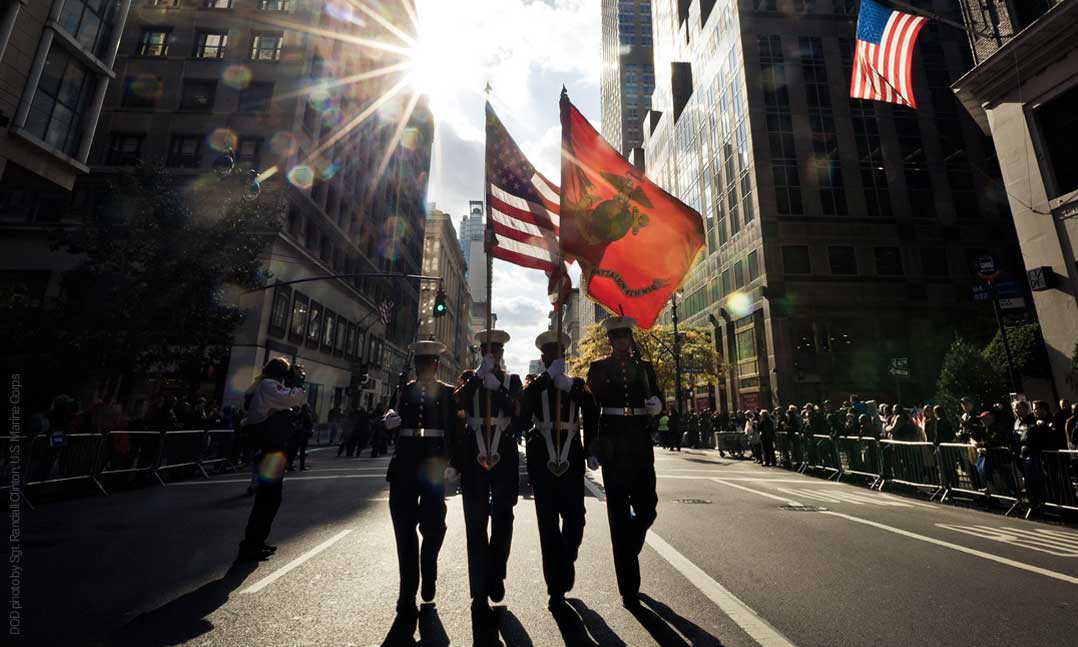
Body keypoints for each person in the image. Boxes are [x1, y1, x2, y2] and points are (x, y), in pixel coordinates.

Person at [378, 341, 456, 645]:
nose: (424, 369)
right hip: (405, 465)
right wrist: (387, 423)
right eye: (420, 364)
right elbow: (386, 422)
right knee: (404, 531)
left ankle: (430, 570)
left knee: (435, 526)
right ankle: (407, 593)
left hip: (434, 465)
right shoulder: (403, 390)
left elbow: (454, 431)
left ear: (436, 366)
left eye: (429, 364)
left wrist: (452, 463)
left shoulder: (448, 393)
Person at [585, 316, 663, 610]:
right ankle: (628, 589)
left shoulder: (645, 368)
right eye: (616, 338)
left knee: (648, 507)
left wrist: (658, 405)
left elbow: (657, 396)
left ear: (631, 339)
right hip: (613, 446)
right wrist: (590, 447)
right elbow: (593, 411)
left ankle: (627, 546)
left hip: (640, 445)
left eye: (625, 337)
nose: (621, 342)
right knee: (618, 514)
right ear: (610, 341)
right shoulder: (599, 368)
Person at [520, 331, 597, 609]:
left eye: (560, 354)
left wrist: (591, 448)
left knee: (576, 519)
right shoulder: (533, 383)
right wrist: (546, 379)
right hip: (543, 459)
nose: (556, 358)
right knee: (548, 524)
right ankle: (555, 587)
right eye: (550, 355)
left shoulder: (575, 383)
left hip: (571, 458)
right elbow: (523, 410)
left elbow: (591, 409)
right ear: (544, 358)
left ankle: (567, 557)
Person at [453, 329, 523, 636]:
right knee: (476, 522)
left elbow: (521, 418)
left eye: (497, 352)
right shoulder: (469, 378)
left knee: (504, 517)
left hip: (504, 455)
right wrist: (477, 380)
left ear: (503, 354)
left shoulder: (513, 381)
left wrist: (500, 391)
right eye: (487, 352)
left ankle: (497, 572)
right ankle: (479, 589)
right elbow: (456, 410)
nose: (492, 357)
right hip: (474, 454)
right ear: (482, 353)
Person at [236, 357, 307, 562]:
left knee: (269, 498)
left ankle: (256, 541)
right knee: (269, 498)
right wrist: (297, 382)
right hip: (271, 448)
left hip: (273, 447)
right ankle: (251, 544)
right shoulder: (269, 386)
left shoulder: (265, 385)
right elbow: (296, 398)